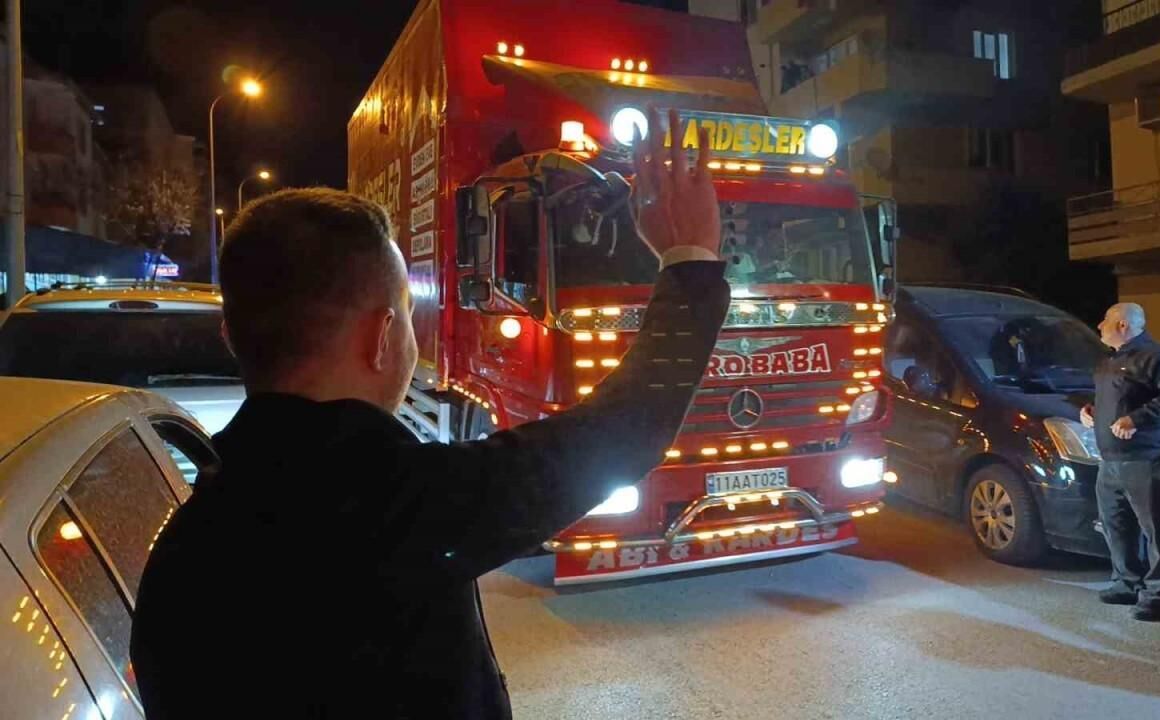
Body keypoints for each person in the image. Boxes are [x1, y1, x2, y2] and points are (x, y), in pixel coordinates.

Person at [129, 109, 729, 719]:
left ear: (232, 337)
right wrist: (689, 260)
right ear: (381, 337)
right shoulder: (397, 506)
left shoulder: (180, 555)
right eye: (407, 318)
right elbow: (623, 432)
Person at [1082, 303, 1160, 621]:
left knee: (1157, 528)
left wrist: (1136, 419)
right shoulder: (1109, 361)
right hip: (1110, 460)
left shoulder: (1159, 357)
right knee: (1115, 525)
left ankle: (1156, 594)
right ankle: (1126, 582)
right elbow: (1117, 399)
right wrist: (1091, 410)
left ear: (1123, 325)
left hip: (1145, 458)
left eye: (1105, 319)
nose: (1099, 325)